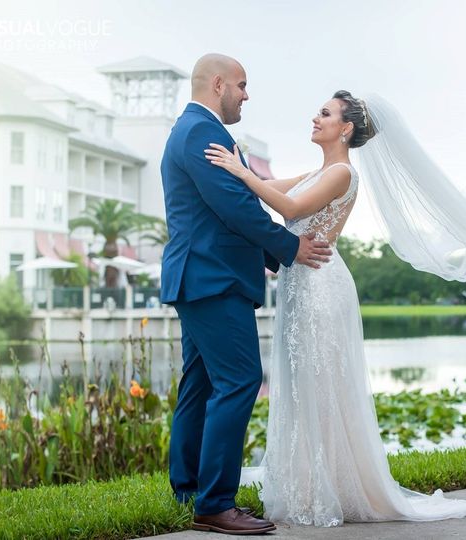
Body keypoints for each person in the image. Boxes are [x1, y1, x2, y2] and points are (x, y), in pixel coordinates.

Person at [205, 90, 466, 526]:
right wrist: (236, 168)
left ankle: (332, 487)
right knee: (302, 385)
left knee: (322, 384)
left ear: (346, 127)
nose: (315, 118)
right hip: (298, 284)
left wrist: (241, 170)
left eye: (325, 113)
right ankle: (309, 484)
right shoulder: (317, 173)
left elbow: (290, 207)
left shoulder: (341, 174)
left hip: (321, 286)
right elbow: (267, 191)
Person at [160, 53, 333, 536]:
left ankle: (189, 490)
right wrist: (289, 247)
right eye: (241, 85)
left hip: (202, 276)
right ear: (218, 85)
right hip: (212, 278)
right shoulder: (201, 132)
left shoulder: (193, 129)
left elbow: (230, 202)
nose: (246, 95)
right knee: (239, 380)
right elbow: (235, 206)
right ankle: (215, 503)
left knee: (200, 385)